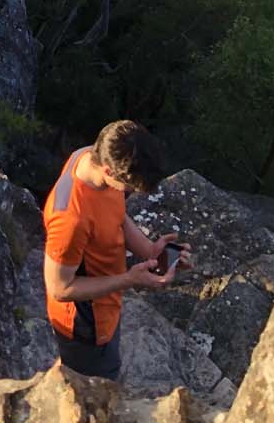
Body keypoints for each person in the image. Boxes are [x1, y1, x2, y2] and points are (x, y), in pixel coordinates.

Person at [43, 119, 192, 380]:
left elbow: (117, 215)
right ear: (110, 172)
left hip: (106, 303)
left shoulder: (93, 155)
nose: (132, 192)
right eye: (131, 187)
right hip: (86, 325)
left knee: (79, 371)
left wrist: (149, 250)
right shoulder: (70, 218)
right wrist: (129, 279)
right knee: (97, 388)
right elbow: (59, 288)